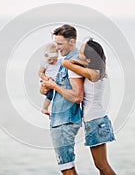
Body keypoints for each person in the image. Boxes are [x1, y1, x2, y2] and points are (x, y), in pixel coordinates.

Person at [62, 38, 117, 175]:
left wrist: (80, 62)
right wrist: (83, 61)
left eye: (81, 51)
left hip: (95, 122)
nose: (78, 52)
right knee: (101, 165)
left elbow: (66, 63)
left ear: (89, 59)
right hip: (97, 120)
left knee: (102, 165)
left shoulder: (93, 74)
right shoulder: (96, 70)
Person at [40, 24, 84, 175]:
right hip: (61, 120)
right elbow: (56, 88)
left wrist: (53, 85)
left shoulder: (73, 62)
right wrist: (46, 87)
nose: (56, 48)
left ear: (71, 42)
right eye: (56, 43)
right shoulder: (64, 62)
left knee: (67, 169)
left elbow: (77, 96)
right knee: (66, 168)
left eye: (60, 44)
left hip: (65, 121)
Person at [38, 43, 61, 116]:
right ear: (46, 57)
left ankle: (57, 111)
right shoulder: (45, 64)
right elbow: (40, 73)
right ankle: (45, 108)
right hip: (48, 81)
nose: (52, 62)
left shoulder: (60, 62)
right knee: (49, 95)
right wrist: (46, 78)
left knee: (58, 96)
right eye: (50, 60)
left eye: (55, 59)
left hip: (56, 82)